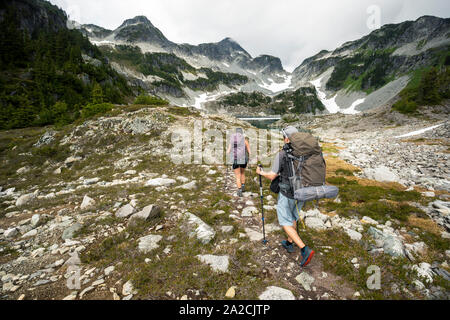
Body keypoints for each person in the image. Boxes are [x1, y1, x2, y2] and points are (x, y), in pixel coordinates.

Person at [256, 126, 315, 268]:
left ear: (287, 139)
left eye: (283, 137)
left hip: (287, 193)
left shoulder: (282, 154)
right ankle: (289, 243)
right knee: (293, 216)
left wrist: (261, 172)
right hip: (302, 192)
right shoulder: (305, 152)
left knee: (284, 220)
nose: (283, 139)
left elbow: (272, 176)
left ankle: (304, 249)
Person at [227, 128, 251, 197]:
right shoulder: (245, 140)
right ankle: (243, 186)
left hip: (235, 159)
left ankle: (239, 190)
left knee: (238, 176)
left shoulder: (232, 141)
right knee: (242, 173)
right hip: (244, 159)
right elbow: (249, 151)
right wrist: (249, 157)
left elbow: (228, 151)